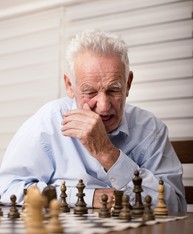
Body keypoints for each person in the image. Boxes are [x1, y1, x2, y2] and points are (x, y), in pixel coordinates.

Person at [0, 29, 187, 212]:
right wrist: (89, 196)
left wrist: (107, 153)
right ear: (69, 85)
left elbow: (175, 206)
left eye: (113, 90)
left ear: (128, 84)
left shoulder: (150, 129)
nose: (104, 106)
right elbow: (7, 189)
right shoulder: (48, 122)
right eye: (90, 91)